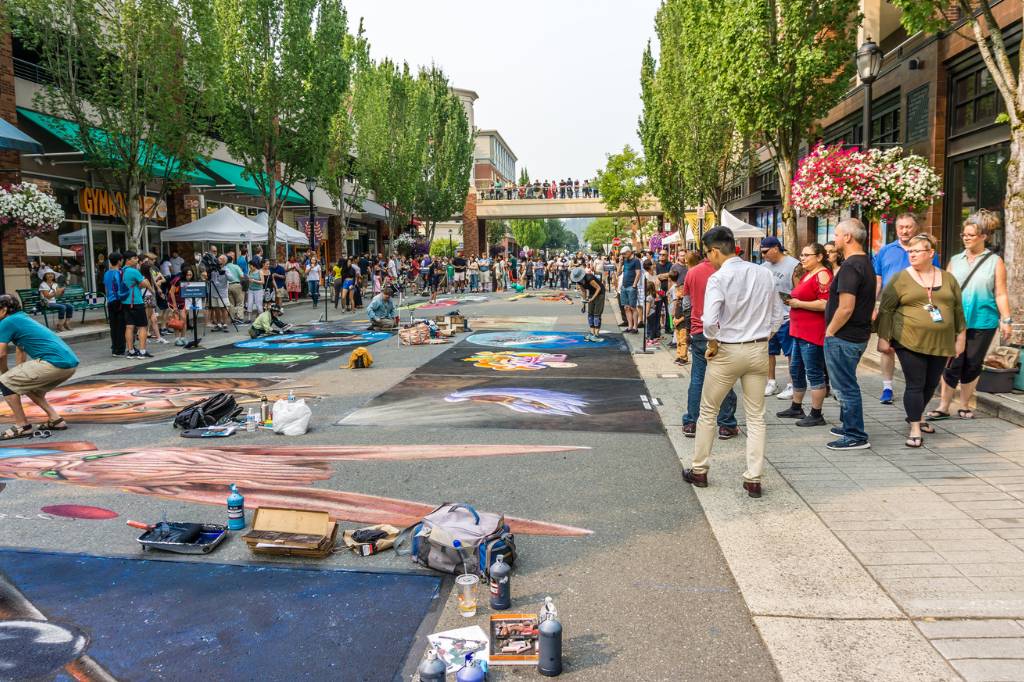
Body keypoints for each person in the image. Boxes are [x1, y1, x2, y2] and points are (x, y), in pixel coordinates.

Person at [682, 227, 780, 498]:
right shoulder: (764, 273)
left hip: (727, 349)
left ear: (715, 251)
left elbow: (709, 321)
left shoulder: (719, 277)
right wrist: (764, 336)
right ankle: (754, 478)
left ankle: (700, 469)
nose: (708, 259)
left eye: (708, 254)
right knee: (756, 416)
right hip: (758, 349)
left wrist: (712, 342)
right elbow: (777, 315)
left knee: (708, 411)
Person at [876, 233, 966, 448]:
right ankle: (915, 426)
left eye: (917, 251)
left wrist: (960, 337)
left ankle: (916, 414)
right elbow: (887, 310)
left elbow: (957, 310)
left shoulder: (948, 278)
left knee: (930, 384)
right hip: (908, 339)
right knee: (915, 383)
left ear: (930, 253)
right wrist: (883, 338)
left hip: (941, 341)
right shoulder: (900, 278)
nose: (912, 255)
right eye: (910, 251)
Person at [930, 210, 1014, 422]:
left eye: (971, 235)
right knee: (952, 362)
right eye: (964, 235)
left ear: (984, 236)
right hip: (956, 321)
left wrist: (1006, 319)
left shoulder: (995, 261)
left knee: (973, 363)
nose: (966, 238)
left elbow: (1001, 293)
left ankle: (965, 404)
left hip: (982, 320)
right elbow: (945, 290)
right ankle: (943, 405)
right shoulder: (955, 260)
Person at [873, 213, 940, 405]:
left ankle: (915, 387)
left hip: (917, 309)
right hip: (889, 309)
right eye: (900, 227)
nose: (904, 231)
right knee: (886, 348)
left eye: (908, 227)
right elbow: (878, 280)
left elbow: (935, 278)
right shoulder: (885, 251)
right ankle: (887, 387)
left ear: (916, 228)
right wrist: (872, 306)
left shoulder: (927, 251)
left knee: (913, 349)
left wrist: (933, 310)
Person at [0, 294, 79, 439]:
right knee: (23, 384)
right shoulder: (22, 317)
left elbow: (1, 353)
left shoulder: (7, 322)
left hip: (53, 362)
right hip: (69, 363)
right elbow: (20, 349)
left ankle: (22, 425)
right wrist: (17, 375)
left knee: (6, 382)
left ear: (4, 310)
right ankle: (56, 420)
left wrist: (5, 376)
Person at [682, 249, 739, 439]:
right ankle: (726, 423)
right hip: (723, 332)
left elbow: (686, 303)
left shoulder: (692, 272)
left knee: (698, 377)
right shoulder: (726, 272)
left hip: (699, 330)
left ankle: (691, 422)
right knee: (724, 378)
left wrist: (689, 325)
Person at [776, 243, 832, 427]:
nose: (803, 258)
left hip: (812, 332)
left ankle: (816, 413)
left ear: (819, 257)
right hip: (798, 330)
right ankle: (796, 406)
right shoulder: (808, 273)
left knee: (813, 372)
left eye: (807, 255)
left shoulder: (823, 274)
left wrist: (799, 304)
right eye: (802, 254)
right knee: (796, 369)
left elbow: (825, 304)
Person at [759, 236, 798, 400]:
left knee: (790, 353)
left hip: (787, 316)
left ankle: (792, 384)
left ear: (776, 248)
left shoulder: (794, 265)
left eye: (765, 252)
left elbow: (799, 290)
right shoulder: (763, 267)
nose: (763, 255)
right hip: (768, 317)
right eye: (761, 252)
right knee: (769, 352)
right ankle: (771, 381)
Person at [120, 251, 154, 358]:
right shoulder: (133, 271)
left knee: (129, 326)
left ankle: (131, 351)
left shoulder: (121, 271)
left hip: (125, 301)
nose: (137, 260)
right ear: (128, 260)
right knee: (143, 326)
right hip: (136, 301)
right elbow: (146, 283)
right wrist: (150, 288)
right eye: (134, 258)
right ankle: (142, 351)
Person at [571, 266, 604, 341]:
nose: (578, 280)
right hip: (592, 293)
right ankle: (592, 333)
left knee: (596, 314)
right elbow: (583, 291)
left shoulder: (589, 278)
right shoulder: (579, 281)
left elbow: (599, 288)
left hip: (600, 293)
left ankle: (596, 334)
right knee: (590, 314)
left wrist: (592, 299)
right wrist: (584, 304)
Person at [103, 253, 126, 357]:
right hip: (119, 301)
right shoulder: (119, 273)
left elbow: (107, 289)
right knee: (121, 326)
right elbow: (120, 287)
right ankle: (120, 349)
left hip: (110, 301)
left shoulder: (107, 273)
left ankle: (114, 348)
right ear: (119, 261)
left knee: (113, 326)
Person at [619, 246, 642, 334]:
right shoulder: (625, 261)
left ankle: (635, 327)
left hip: (631, 286)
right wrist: (620, 264)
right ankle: (629, 326)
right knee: (626, 307)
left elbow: (638, 273)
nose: (623, 255)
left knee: (633, 307)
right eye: (622, 254)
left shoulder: (636, 261)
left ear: (629, 252)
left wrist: (634, 285)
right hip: (624, 286)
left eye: (624, 254)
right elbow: (618, 273)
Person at [669, 270, 689, 365]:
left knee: (683, 341)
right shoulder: (678, 301)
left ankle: (684, 357)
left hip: (683, 324)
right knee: (678, 341)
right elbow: (675, 311)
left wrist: (678, 320)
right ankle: (679, 355)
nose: (676, 293)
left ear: (683, 291)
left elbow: (687, 314)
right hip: (677, 322)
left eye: (678, 291)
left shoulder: (685, 301)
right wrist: (674, 318)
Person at [224, 255, 245, 323]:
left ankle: (232, 318)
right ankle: (239, 317)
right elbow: (242, 275)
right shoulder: (236, 266)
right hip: (236, 285)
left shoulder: (225, 267)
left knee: (231, 303)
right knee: (240, 302)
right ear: (232, 260)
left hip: (228, 286)